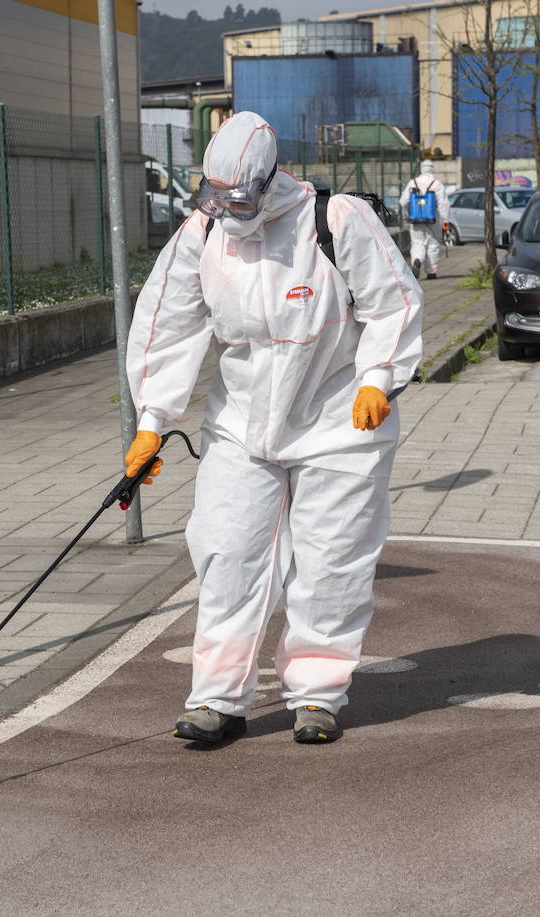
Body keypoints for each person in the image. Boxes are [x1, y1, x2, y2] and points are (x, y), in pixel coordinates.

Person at [124, 112, 423, 745]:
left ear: (266, 181)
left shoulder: (334, 222)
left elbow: (393, 303)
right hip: (242, 423)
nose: (225, 210)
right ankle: (217, 699)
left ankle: (317, 693)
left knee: (331, 560)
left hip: (338, 419)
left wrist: (378, 379)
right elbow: (168, 325)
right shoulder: (201, 234)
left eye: (237, 198)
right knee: (227, 553)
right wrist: (152, 422)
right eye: (212, 195)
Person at [399, 160, 450, 280]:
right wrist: (445, 221)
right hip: (433, 220)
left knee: (417, 243)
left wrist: (411, 210)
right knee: (432, 244)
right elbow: (443, 205)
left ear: (421, 169)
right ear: (432, 169)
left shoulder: (413, 182)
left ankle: (417, 259)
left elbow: (403, 201)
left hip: (416, 219)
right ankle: (431, 272)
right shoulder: (436, 184)